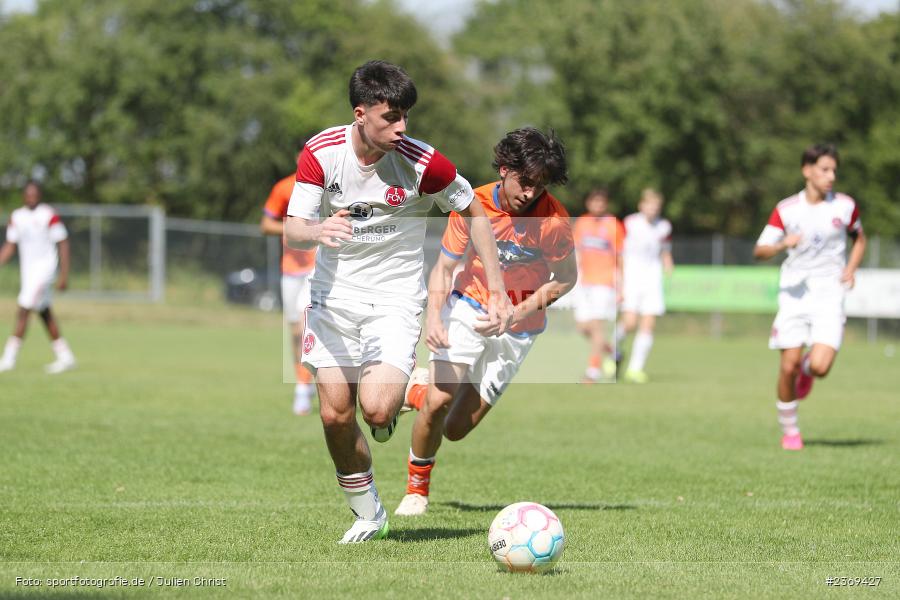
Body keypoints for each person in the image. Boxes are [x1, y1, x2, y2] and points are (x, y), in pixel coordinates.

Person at [284, 60, 512, 543]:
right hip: (333, 298)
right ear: (360, 113)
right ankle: (369, 514)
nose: (402, 127)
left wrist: (495, 287)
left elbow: (474, 211)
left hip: (393, 300)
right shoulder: (321, 153)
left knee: (377, 410)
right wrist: (319, 229)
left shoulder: (424, 163)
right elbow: (293, 230)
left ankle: (395, 401)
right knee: (332, 415)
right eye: (392, 117)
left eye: (406, 115)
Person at [393, 127, 576, 517]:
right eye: (525, 182)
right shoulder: (473, 203)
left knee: (456, 428)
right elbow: (444, 267)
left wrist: (516, 312)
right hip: (469, 305)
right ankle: (416, 489)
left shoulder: (554, 222)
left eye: (540, 186)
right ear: (506, 170)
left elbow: (566, 279)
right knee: (441, 401)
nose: (530, 193)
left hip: (519, 328)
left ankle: (413, 393)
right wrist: (434, 318)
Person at [753, 143, 865, 451]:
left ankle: (808, 371)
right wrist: (780, 245)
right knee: (787, 365)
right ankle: (790, 431)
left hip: (829, 294)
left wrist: (851, 268)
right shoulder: (787, 209)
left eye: (834, 171)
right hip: (794, 295)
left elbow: (859, 239)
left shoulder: (844, 206)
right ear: (807, 171)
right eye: (824, 169)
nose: (831, 176)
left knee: (820, 367)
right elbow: (759, 250)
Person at [0, 181, 76, 374]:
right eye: (28, 194)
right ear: (24, 196)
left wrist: (64, 275)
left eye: (35, 194)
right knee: (43, 311)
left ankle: (9, 358)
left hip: (46, 270)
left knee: (24, 308)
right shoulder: (17, 216)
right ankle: (65, 356)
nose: (32, 197)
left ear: (39, 195)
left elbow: (63, 242)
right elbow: (10, 245)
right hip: (29, 272)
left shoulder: (48, 214)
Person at [260, 172, 318, 415]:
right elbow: (266, 224)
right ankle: (304, 380)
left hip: (317, 268)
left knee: (307, 324)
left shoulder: (329, 184)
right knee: (295, 330)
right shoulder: (284, 187)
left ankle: (304, 390)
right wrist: (296, 229)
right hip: (291, 271)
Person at [617, 188, 673, 383]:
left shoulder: (664, 226)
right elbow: (620, 252)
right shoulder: (630, 223)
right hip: (632, 277)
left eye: (656, 206)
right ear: (641, 205)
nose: (653, 209)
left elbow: (665, 251)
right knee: (629, 322)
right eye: (649, 205)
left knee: (648, 324)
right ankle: (612, 352)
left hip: (652, 278)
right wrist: (620, 278)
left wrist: (668, 264)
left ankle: (635, 369)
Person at [572, 187, 624, 383]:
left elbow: (620, 257)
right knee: (583, 327)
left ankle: (592, 372)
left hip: (605, 283)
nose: (598, 205)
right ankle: (613, 353)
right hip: (585, 282)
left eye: (601, 202)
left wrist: (621, 286)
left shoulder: (614, 225)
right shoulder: (582, 223)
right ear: (588, 203)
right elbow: (577, 252)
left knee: (596, 327)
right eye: (595, 201)